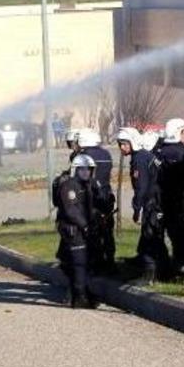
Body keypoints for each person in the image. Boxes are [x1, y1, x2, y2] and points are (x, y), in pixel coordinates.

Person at [119, 127, 166, 283]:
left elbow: (141, 187)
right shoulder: (144, 156)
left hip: (153, 202)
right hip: (158, 200)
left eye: (124, 144)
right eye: (120, 144)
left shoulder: (139, 159)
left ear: (133, 143)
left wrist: (137, 208)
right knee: (154, 237)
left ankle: (149, 275)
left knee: (150, 236)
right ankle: (164, 270)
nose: (121, 147)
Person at [55, 154, 98, 309]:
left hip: (85, 229)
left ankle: (81, 292)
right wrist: (84, 225)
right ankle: (79, 297)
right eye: (83, 169)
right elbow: (71, 210)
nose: (86, 172)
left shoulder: (88, 185)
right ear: (76, 170)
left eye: (89, 169)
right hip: (73, 230)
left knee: (84, 263)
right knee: (79, 263)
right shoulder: (69, 186)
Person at [156, 118, 184, 274]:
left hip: (164, 199)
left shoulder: (160, 152)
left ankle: (174, 263)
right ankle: (183, 264)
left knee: (172, 234)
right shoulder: (183, 153)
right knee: (182, 235)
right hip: (180, 200)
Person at [77, 128, 115, 272]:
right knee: (107, 230)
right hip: (106, 194)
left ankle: (95, 262)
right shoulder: (106, 153)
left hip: (91, 197)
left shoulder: (85, 156)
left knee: (92, 231)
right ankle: (110, 261)